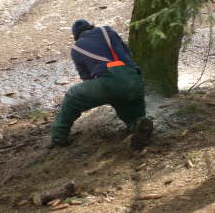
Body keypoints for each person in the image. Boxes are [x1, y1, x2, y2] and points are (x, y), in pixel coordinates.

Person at [50, 20, 153, 150]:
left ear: (76, 36)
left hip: (108, 82)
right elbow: (126, 51)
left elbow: (86, 78)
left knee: (72, 96)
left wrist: (98, 94)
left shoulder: (77, 48)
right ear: (91, 26)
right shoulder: (107, 30)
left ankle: (59, 138)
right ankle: (138, 125)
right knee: (129, 110)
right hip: (134, 78)